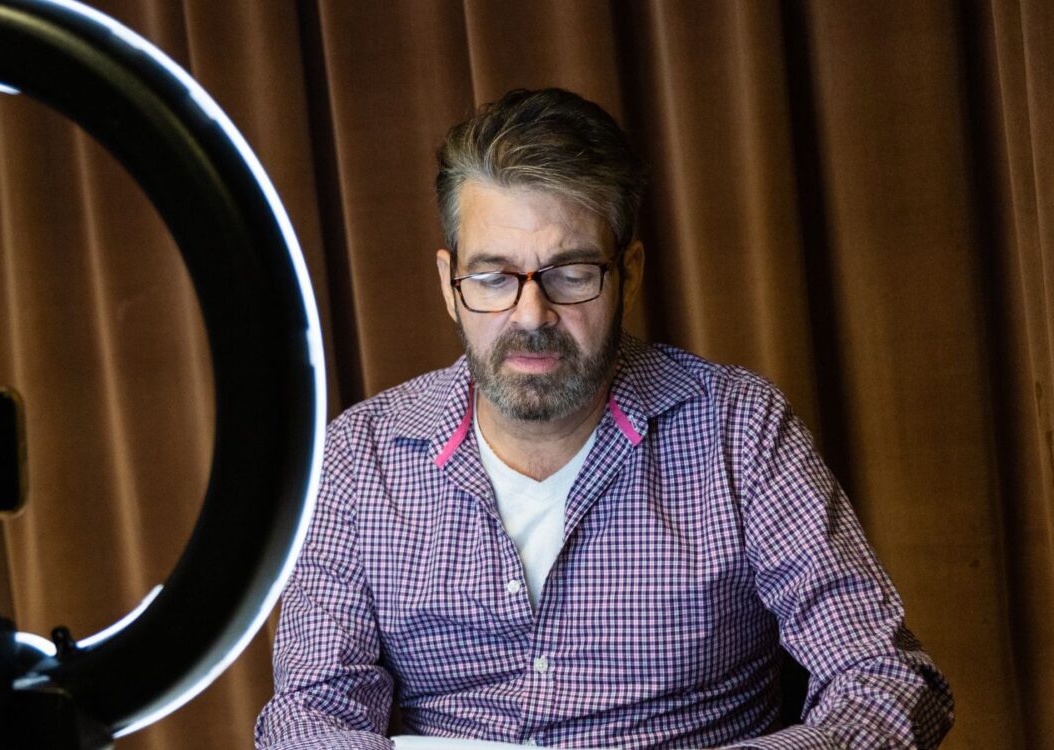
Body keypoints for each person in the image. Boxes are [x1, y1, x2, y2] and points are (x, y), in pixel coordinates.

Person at [253, 88, 952, 749]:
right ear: (449, 285)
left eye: (572, 272)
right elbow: (308, 715)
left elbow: (886, 682)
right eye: (494, 277)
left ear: (630, 272)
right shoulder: (360, 456)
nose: (531, 316)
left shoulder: (740, 430)